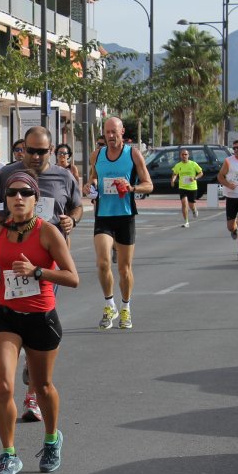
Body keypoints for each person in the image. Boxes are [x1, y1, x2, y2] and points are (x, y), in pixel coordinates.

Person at [0, 170, 78, 474]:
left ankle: (51, 439)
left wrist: (38, 272)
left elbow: (72, 277)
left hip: (41, 317)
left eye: (25, 193)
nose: (18, 198)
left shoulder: (48, 232)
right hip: (6, 315)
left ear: (36, 199)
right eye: (12, 194)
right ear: (6, 200)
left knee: (43, 386)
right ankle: (8, 454)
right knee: (3, 386)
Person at [0, 126, 82, 419]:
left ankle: (33, 394)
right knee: (16, 314)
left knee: (37, 315)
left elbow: (77, 208)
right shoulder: (7, 175)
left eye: (41, 151)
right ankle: (28, 361)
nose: (35, 156)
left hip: (48, 263)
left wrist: (71, 221)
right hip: (12, 260)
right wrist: (10, 220)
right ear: (22, 148)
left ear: (51, 151)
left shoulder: (64, 176)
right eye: (30, 150)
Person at [84, 116, 152, 329]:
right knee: (103, 262)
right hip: (103, 215)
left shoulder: (133, 154)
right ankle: (109, 304)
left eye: (114, 131)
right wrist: (89, 187)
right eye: (107, 132)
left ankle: (125, 307)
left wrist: (131, 188)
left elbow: (148, 184)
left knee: (124, 268)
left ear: (122, 132)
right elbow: (93, 178)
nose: (111, 136)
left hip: (125, 216)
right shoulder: (97, 155)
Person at [170, 148, 203, 227]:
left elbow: (201, 173)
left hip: (192, 187)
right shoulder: (178, 165)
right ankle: (186, 222)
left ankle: (194, 210)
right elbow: (175, 174)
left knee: (191, 204)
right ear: (180, 156)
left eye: (185, 154)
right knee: (184, 203)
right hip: (182, 187)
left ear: (188, 155)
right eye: (182, 154)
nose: (184, 156)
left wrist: (195, 178)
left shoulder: (193, 164)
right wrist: (173, 180)